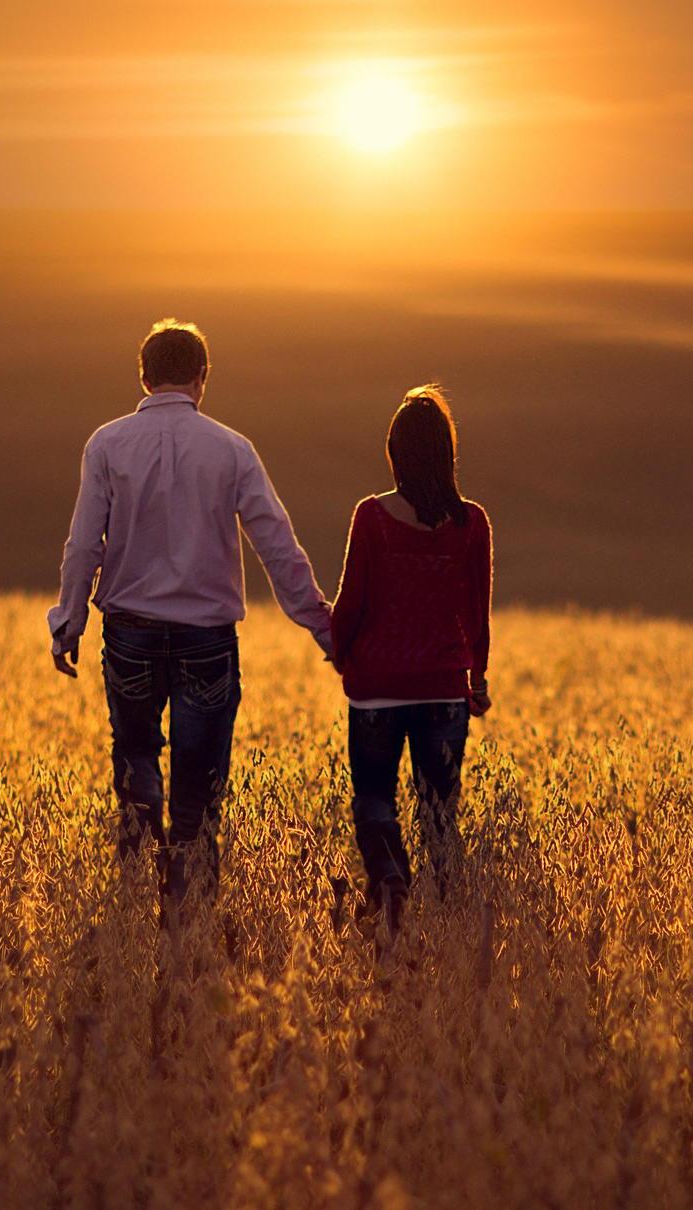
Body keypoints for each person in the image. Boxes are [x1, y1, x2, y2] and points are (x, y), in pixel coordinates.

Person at [49, 319, 334, 908]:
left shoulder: (106, 444)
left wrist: (69, 620)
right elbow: (277, 544)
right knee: (199, 796)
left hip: (129, 633)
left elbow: (83, 545)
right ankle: (190, 919)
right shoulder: (232, 449)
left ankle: (132, 899)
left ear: (145, 376)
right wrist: (324, 627)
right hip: (208, 639)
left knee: (134, 762)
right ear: (203, 379)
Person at [327, 385, 493, 932]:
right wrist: (477, 676)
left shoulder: (371, 517)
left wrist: (341, 650)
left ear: (395, 452)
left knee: (375, 800)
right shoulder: (472, 524)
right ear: (448, 453)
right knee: (440, 815)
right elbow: (476, 613)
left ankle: (391, 885)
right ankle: (448, 918)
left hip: (376, 689)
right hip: (444, 693)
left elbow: (351, 601)